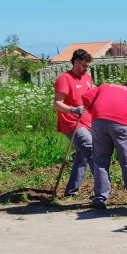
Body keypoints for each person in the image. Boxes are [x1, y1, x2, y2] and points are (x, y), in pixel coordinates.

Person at [82, 80, 127, 208]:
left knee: (100, 161)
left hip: (98, 122)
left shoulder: (104, 86)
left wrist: (94, 111)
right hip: (122, 124)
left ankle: (100, 199)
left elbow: (85, 97)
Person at [52, 48, 95, 198]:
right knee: (92, 151)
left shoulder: (88, 78)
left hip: (88, 122)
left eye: (88, 66)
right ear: (76, 62)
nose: (86, 69)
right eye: (84, 66)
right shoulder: (64, 79)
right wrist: (73, 110)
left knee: (83, 157)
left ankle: (71, 192)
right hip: (72, 123)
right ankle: (104, 188)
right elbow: (57, 104)